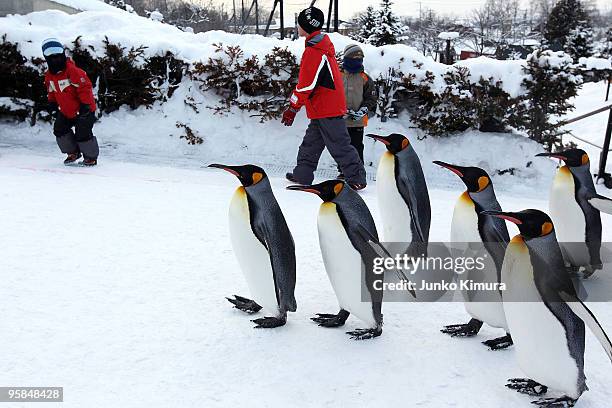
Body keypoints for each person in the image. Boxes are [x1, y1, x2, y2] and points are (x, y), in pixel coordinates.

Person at [282, 7, 367, 190]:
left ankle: (357, 177)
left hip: (327, 108)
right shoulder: (319, 47)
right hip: (322, 108)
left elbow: (306, 85)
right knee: (311, 144)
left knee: (340, 145)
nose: (298, 27)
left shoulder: (315, 52)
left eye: (300, 24)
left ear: (307, 27)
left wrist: (292, 108)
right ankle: (302, 174)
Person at [42, 38, 99, 166]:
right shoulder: (49, 75)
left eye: (58, 55)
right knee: (60, 129)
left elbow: (85, 88)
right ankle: (73, 152)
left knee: (82, 133)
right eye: (51, 57)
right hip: (67, 111)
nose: (55, 59)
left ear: (63, 55)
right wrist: (52, 103)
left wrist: (86, 105)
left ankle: (90, 157)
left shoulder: (73, 71)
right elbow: (51, 90)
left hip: (84, 109)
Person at [338, 44, 377, 179]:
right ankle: (343, 172)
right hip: (339, 119)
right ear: (346, 59)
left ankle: (358, 173)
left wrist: (363, 110)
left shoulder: (365, 78)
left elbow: (371, 98)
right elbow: (330, 95)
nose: (357, 63)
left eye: (359, 60)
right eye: (353, 60)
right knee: (342, 147)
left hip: (357, 122)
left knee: (356, 148)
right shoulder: (337, 75)